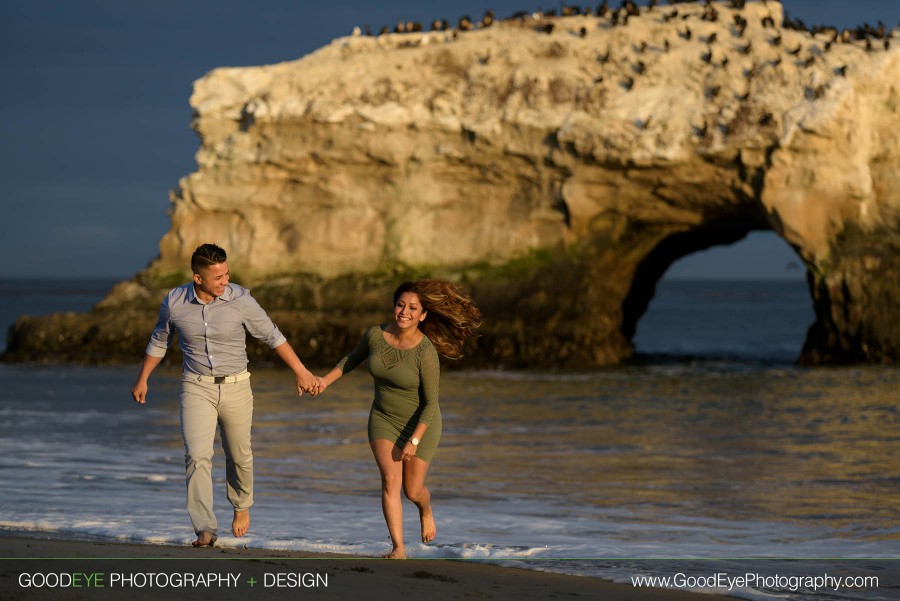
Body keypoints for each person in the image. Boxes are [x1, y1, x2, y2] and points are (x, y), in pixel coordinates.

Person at [131, 243, 319, 547]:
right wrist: (143, 379)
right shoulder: (175, 301)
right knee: (197, 455)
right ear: (198, 278)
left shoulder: (241, 299)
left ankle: (241, 505)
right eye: (217, 277)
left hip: (236, 386)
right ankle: (204, 528)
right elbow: (159, 340)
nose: (225, 281)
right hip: (196, 386)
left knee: (239, 454)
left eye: (227, 274)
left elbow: (273, 335)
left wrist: (301, 371)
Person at [315, 279, 480, 559]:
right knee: (390, 480)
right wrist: (324, 381)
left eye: (412, 308)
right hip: (383, 418)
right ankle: (398, 548)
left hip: (422, 424)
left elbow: (431, 404)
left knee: (412, 491)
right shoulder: (375, 336)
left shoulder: (426, 352)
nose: (404, 312)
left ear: (423, 315)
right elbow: (352, 359)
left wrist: (415, 440)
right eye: (400, 305)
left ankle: (425, 509)